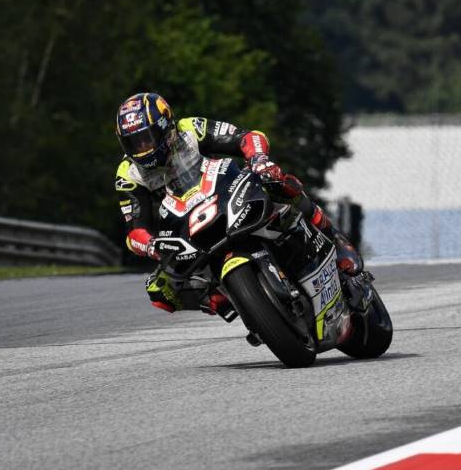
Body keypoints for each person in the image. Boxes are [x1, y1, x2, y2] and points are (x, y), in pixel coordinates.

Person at [114, 92, 362, 314]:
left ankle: (335, 238)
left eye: (146, 139)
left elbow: (246, 137)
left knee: (276, 181)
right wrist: (152, 246)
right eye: (134, 143)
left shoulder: (189, 129)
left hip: (224, 193)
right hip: (186, 230)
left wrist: (259, 160)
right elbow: (135, 230)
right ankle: (236, 302)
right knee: (159, 290)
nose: (142, 149)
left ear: (165, 127)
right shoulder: (128, 174)